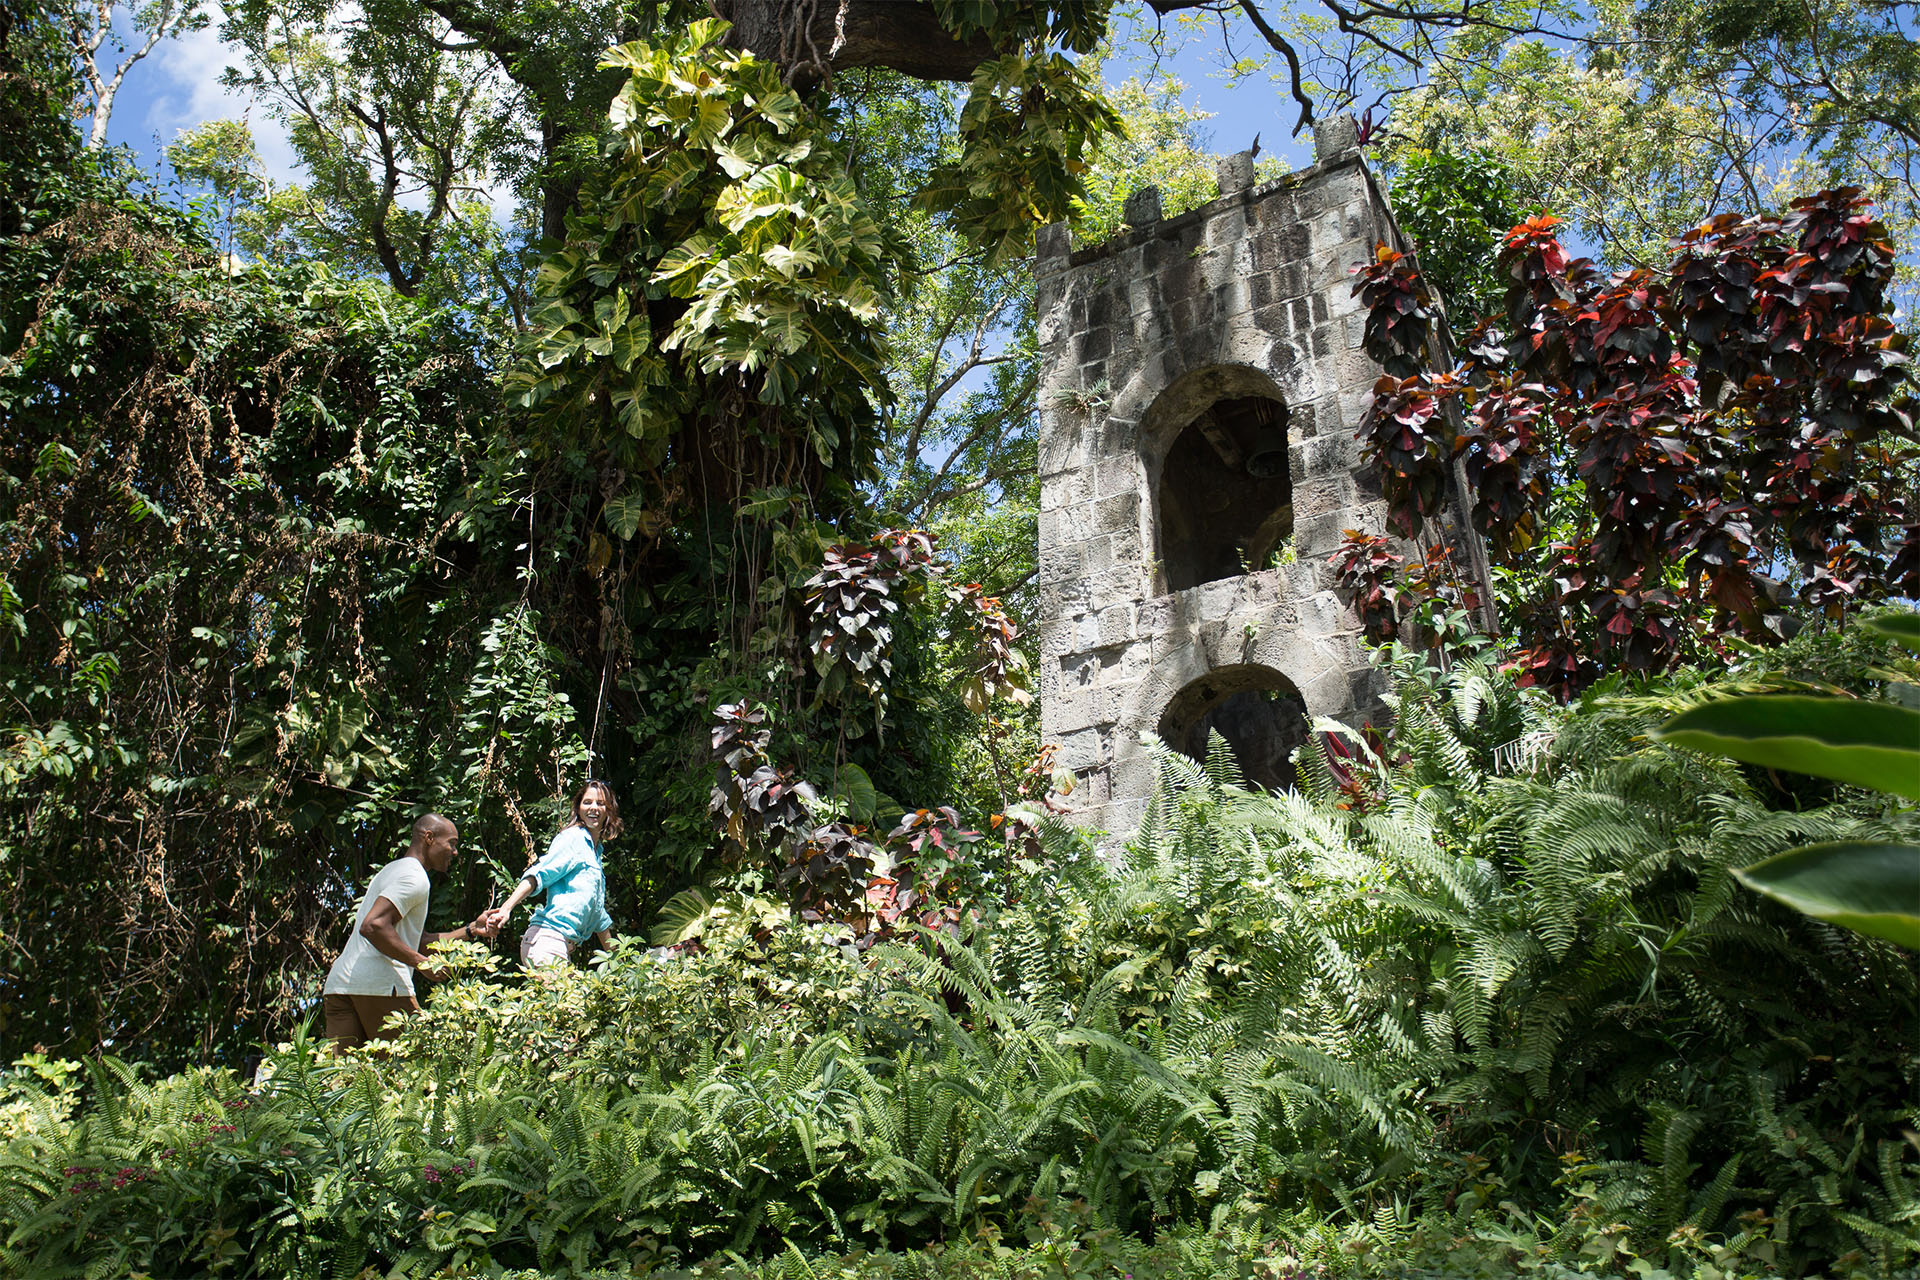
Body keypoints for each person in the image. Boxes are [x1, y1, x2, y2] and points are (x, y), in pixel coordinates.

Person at [320, 812, 495, 1049]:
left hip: (340, 986)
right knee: (412, 1065)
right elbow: (373, 926)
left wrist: (471, 929)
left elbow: (415, 941)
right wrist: (423, 964)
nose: (454, 852)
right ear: (429, 838)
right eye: (451, 844)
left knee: (346, 1071)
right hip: (381, 985)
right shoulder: (414, 878)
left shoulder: (391, 870)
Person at [481, 780, 618, 968]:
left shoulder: (594, 853)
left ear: (608, 810)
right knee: (562, 989)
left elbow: (597, 915)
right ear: (578, 809)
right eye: (587, 802)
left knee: (573, 988)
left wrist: (620, 964)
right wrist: (506, 908)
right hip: (547, 941)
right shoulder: (573, 838)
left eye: (600, 803)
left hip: (560, 945)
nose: (593, 807)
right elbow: (539, 874)